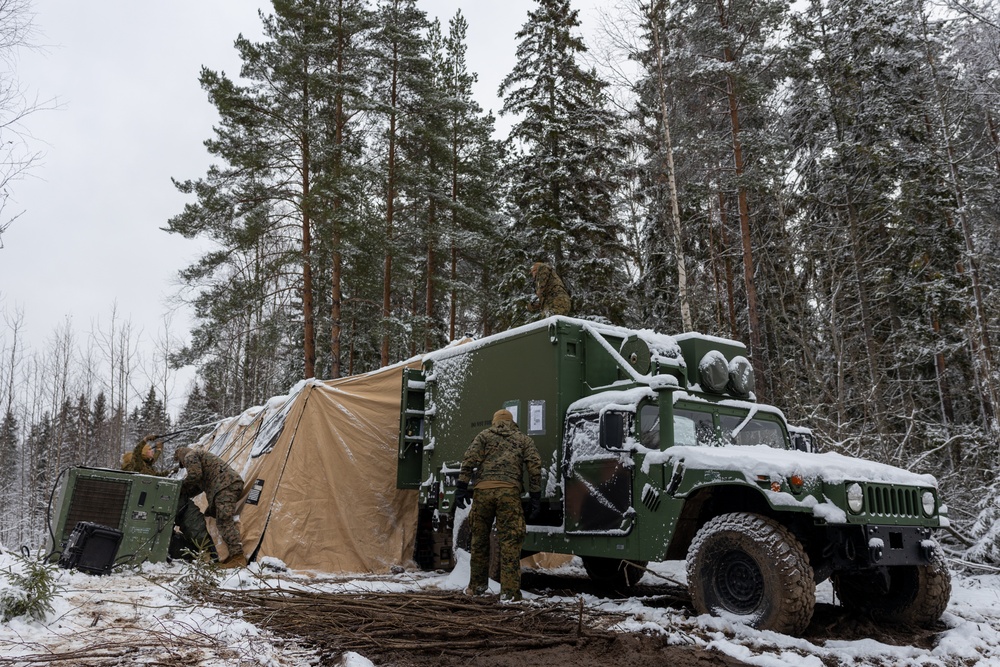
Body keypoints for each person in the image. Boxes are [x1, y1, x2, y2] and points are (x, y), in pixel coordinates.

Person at [454, 409, 542, 601]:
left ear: (494, 422)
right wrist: (535, 496)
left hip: (483, 492)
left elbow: (469, 460)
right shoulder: (523, 439)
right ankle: (509, 594)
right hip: (508, 493)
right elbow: (535, 466)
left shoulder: (483, 436)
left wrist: (461, 487)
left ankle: (476, 587)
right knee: (510, 542)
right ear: (512, 422)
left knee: (479, 540)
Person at [120, 436, 218, 563]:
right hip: (153, 501)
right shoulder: (138, 464)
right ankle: (208, 554)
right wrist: (145, 440)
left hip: (153, 500)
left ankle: (203, 553)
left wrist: (163, 456)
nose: (152, 452)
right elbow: (137, 453)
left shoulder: (146, 467)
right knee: (191, 523)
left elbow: (157, 474)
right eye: (150, 450)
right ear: (143, 453)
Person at [174, 446, 247, 569]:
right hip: (224, 486)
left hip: (224, 486)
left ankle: (238, 557)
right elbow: (197, 486)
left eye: (183, 465)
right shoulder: (200, 458)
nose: (185, 466)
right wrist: (185, 493)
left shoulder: (190, 456)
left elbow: (194, 476)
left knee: (224, 520)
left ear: (181, 459)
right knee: (211, 517)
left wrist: (180, 487)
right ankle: (221, 554)